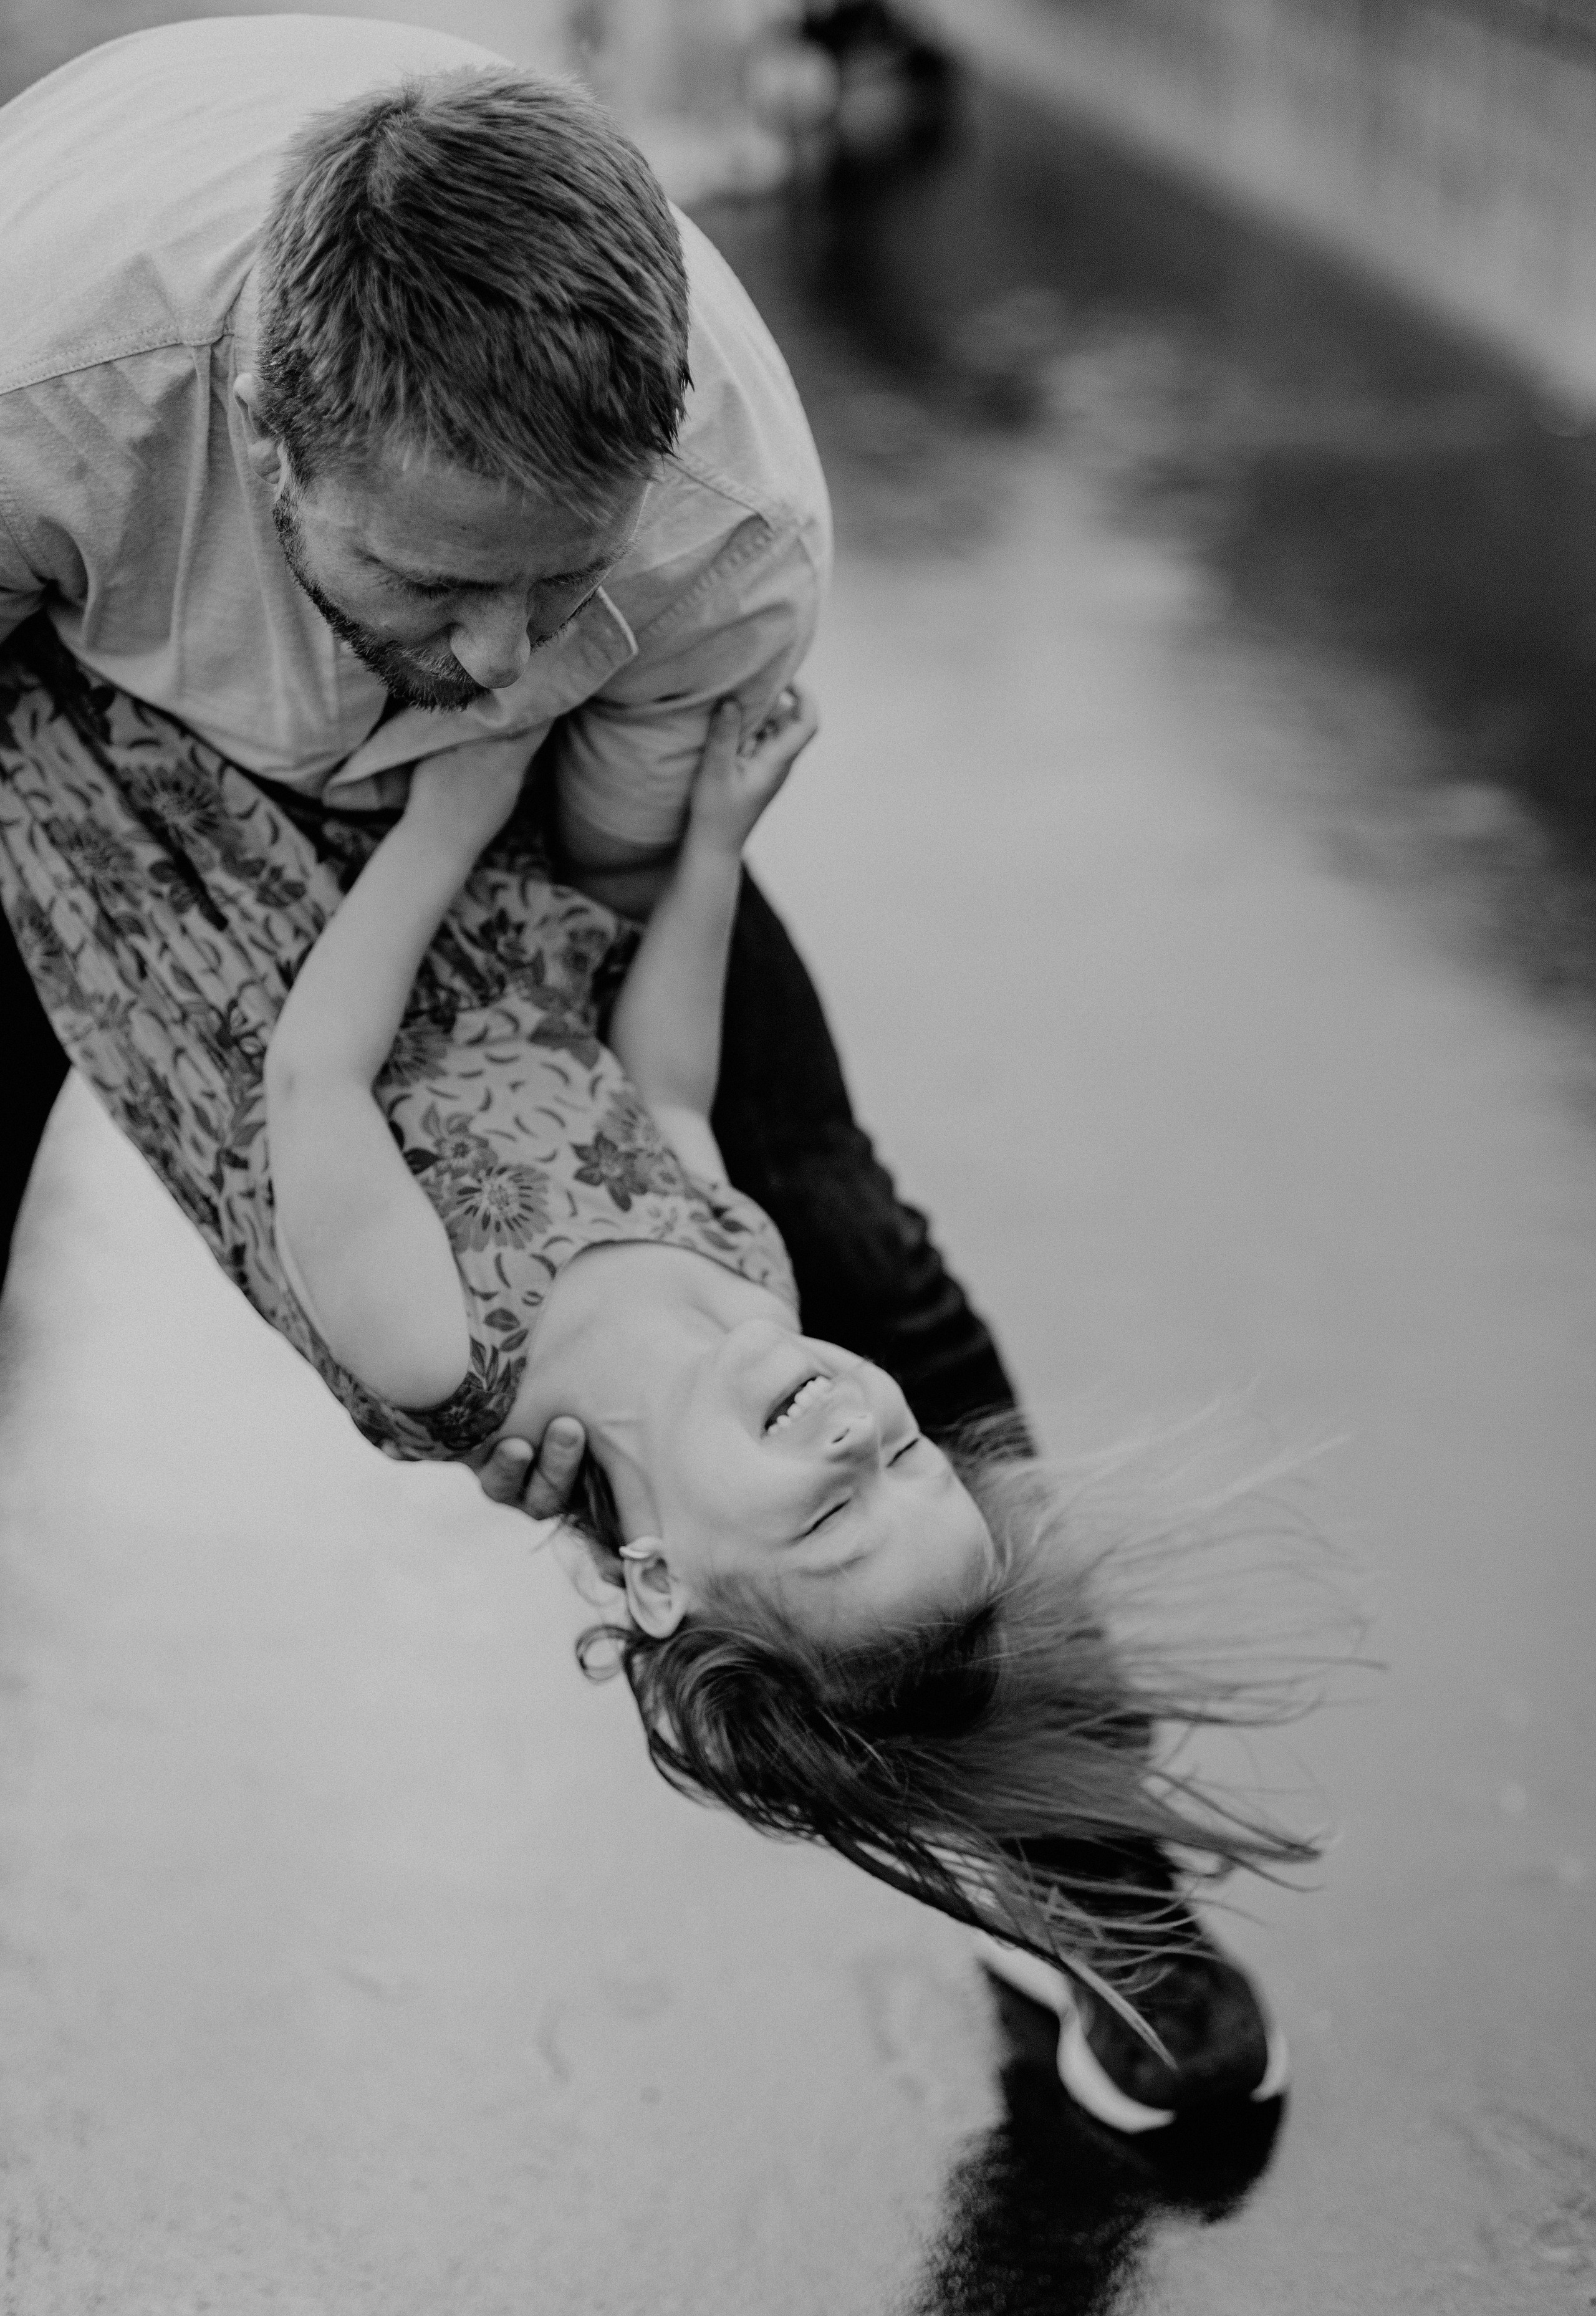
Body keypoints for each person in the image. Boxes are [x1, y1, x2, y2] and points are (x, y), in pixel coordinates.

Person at [0, 25, 1297, 2129]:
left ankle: (1089, 1870)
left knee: (860, 1241)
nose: (510, 648)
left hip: (507, 912)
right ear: (269, 438)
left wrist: (639, 1446)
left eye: (559, 586)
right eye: (438, 579)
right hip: (99, 760)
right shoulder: (42, 383)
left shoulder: (722, 538)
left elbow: (604, 902)